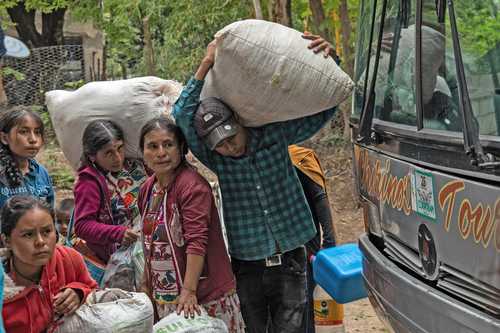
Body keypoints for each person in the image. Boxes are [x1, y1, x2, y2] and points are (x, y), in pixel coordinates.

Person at [172, 34, 338, 332]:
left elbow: (324, 107)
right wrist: (205, 64)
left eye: (232, 137)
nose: (230, 148)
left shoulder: (274, 136)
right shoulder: (218, 161)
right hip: (248, 262)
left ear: (239, 121)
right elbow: (182, 115)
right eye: (220, 145)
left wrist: (329, 60)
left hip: (291, 255)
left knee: (294, 326)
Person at [138, 117, 245, 332]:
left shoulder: (192, 187)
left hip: (201, 297)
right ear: (143, 153)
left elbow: (197, 242)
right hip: (168, 298)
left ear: (181, 148)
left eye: (168, 144)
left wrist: (189, 291)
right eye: (152, 146)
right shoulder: (148, 189)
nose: (161, 152)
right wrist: (146, 283)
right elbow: (149, 242)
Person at [1, 195, 98, 333]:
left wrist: (79, 292)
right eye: (28, 235)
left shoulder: (69, 259)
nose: (40, 241)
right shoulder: (3, 288)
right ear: (7, 240)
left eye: (47, 231)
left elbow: (94, 292)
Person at [72, 120, 147, 284]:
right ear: (92, 155)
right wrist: (118, 233)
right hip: (122, 256)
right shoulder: (89, 182)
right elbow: (82, 226)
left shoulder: (136, 167)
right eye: (108, 153)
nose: (117, 157)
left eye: (120, 148)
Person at [289, 144, 337, 333]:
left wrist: (330, 243)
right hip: (282, 246)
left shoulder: (301, 158)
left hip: (308, 244)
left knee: (306, 301)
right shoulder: (271, 162)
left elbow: (320, 199)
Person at [0, 106, 54, 209]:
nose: (33, 139)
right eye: (23, 132)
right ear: (4, 138)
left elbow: (50, 214)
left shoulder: (41, 173)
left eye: (37, 132)